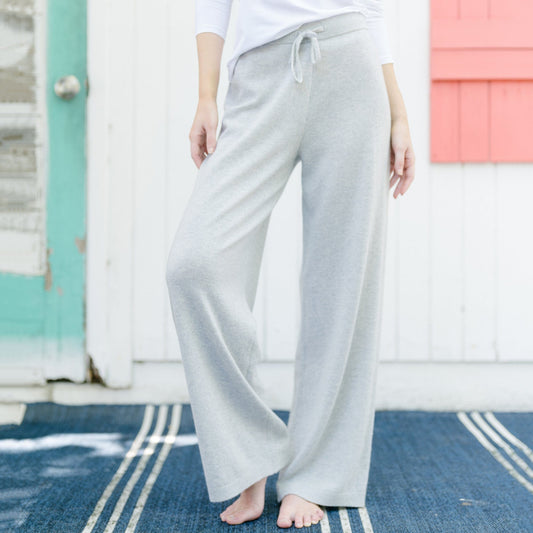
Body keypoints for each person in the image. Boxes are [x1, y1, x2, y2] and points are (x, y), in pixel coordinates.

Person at [166, 0, 415, 528]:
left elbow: (371, 9)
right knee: (194, 265)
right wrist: (207, 94)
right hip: (259, 80)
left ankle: (316, 475)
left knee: (341, 282)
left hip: (351, 68)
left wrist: (398, 112)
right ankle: (249, 454)